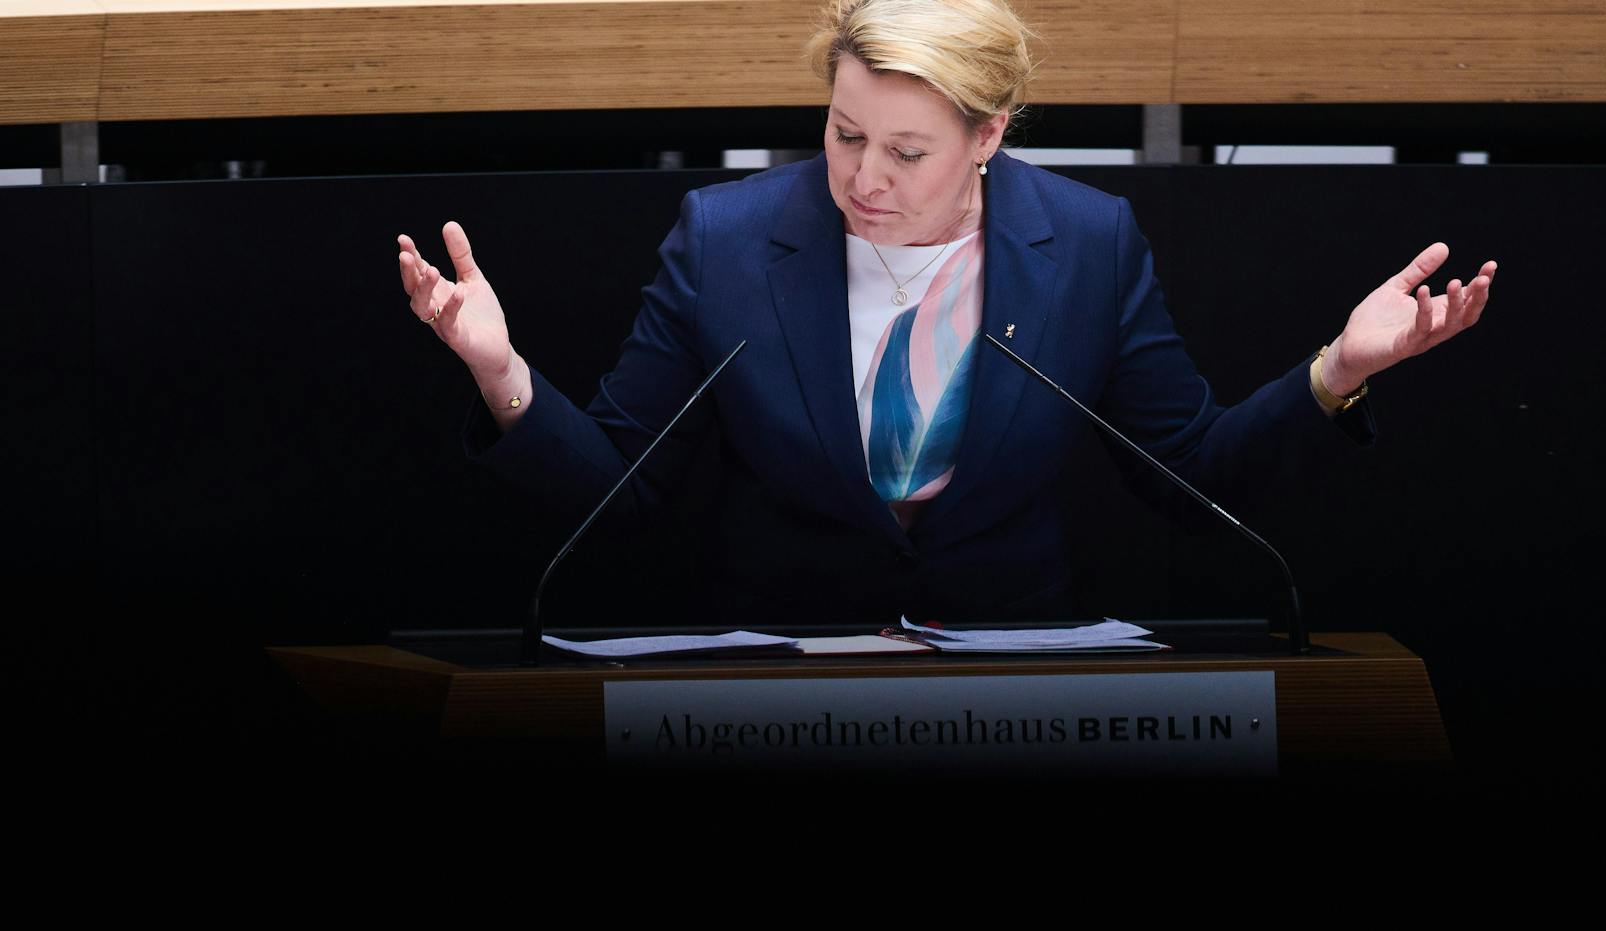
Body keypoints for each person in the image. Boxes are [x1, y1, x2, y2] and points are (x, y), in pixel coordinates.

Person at [394, 0, 1495, 622]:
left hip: (1008, 679)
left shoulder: (1087, 243)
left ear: (989, 136)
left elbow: (1186, 474)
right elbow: (621, 494)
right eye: (842, 133)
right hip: (776, 687)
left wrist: (1335, 370)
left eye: (906, 150)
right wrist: (502, 375)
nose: (862, 176)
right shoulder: (726, 240)